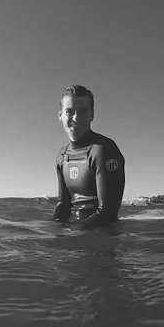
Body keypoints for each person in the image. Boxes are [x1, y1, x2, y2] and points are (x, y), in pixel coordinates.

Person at [52, 85, 126, 228]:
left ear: (92, 115)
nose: (76, 117)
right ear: (60, 115)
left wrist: (73, 232)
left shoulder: (103, 150)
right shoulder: (62, 156)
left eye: (83, 111)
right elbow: (63, 205)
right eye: (70, 111)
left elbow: (107, 213)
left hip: (101, 239)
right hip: (74, 237)